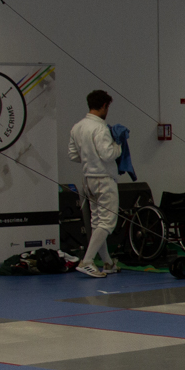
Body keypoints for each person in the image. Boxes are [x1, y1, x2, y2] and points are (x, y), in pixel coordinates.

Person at [67, 90, 122, 279]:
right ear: (104, 106)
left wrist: (89, 158)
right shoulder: (100, 128)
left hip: (87, 181)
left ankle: (107, 262)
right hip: (103, 180)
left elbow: (73, 155)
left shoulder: (77, 127)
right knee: (107, 222)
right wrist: (118, 145)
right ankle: (88, 261)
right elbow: (108, 154)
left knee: (98, 222)